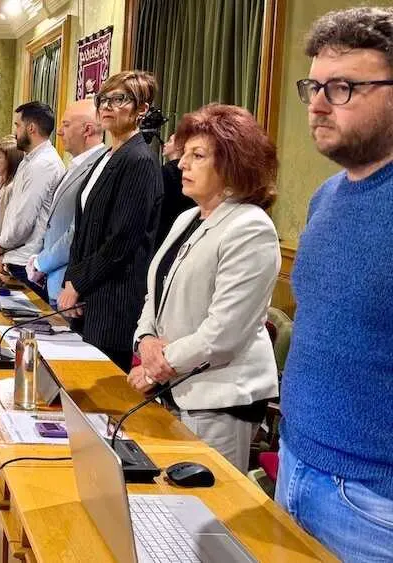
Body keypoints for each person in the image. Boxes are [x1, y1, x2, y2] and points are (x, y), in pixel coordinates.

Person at [276, 8, 393, 560]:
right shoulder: (327, 197)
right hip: (295, 465)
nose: (318, 105)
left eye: (342, 87)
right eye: (313, 87)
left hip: (373, 503)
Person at [128, 104, 281, 471]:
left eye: (197, 156)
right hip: (174, 387)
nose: (182, 163)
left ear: (233, 165)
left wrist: (156, 366)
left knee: (205, 503)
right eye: (185, 153)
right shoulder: (188, 217)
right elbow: (156, 294)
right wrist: (145, 340)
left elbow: (223, 333)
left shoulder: (250, 227)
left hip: (218, 400)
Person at [59, 71, 163, 372]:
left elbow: (121, 241)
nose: (107, 106)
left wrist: (78, 283)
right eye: (103, 99)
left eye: (119, 99)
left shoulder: (140, 160)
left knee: (100, 389)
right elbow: (85, 230)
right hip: (90, 294)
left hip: (113, 300)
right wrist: (72, 281)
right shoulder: (108, 156)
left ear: (141, 109)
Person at [26, 99, 107, 305]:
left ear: (87, 130)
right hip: (52, 280)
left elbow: (77, 232)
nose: (60, 132)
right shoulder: (75, 164)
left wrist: (41, 263)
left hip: (69, 288)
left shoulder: (99, 167)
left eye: (66, 125)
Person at [0, 101, 66, 302]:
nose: (15, 132)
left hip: (26, 260)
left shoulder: (43, 164)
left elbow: (24, 219)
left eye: (18, 125)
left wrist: (1, 244)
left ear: (31, 128)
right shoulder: (30, 160)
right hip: (17, 255)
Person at [156, 133, 195, 246]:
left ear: (178, 146)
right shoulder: (190, 174)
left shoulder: (165, 172)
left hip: (163, 229)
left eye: (170, 141)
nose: (165, 144)